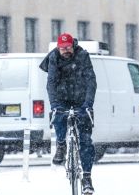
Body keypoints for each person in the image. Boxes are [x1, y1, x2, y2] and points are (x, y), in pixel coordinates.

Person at [39, 33, 97, 194]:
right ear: (58, 48)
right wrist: (55, 105)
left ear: (73, 46)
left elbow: (91, 81)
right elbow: (51, 83)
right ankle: (61, 145)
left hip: (81, 100)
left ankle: (86, 177)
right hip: (62, 98)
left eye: (68, 47)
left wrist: (88, 105)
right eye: (62, 48)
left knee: (86, 141)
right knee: (58, 116)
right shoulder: (53, 58)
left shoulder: (83, 56)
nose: (65, 51)